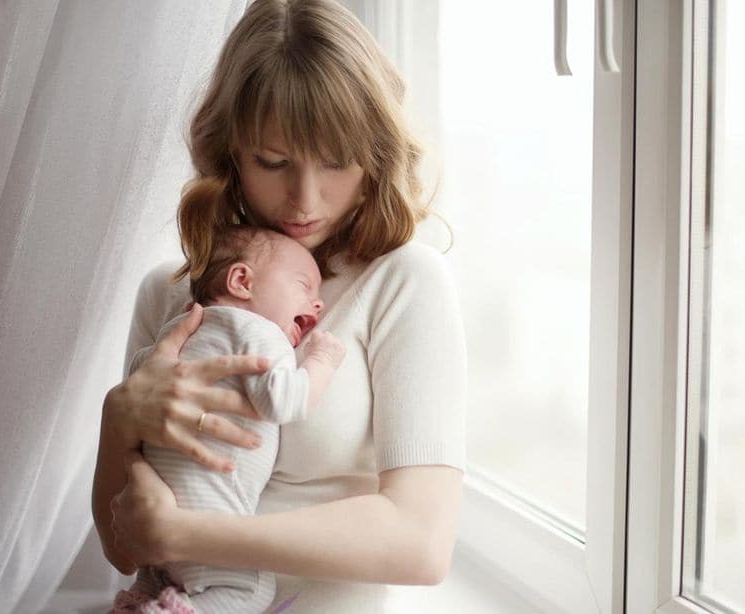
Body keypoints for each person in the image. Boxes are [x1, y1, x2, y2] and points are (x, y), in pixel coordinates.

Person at [91, 0, 467, 611]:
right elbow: (124, 546)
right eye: (273, 161)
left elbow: (421, 543)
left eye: (336, 163)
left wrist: (195, 536)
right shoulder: (169, 294)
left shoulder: (404, 281)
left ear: (373, 158)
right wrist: (119, 419)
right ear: (230, 153)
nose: (304, 198)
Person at [115, 226, 346, 613]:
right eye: (304, 286)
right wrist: (321, 361)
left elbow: (136, 391)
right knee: (251, 589)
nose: (317, 304)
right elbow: (282, 400)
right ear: (242, 281)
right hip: (207, 517)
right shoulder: (259, 331)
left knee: (157, 579)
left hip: (152, 513)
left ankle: (143, 600)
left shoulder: (173, 331)